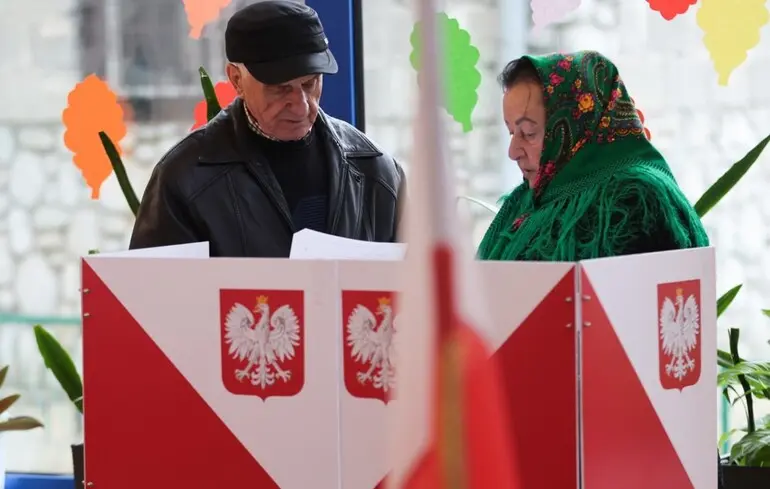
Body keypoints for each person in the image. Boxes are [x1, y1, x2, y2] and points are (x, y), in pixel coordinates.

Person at [129, 0, 406, 257]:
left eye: (310, 83)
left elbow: (414, 281)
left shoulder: (377, 172)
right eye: (280, 89)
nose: (301, 106)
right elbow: (154, 289)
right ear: (236, 79)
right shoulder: (184, 179)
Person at [477, 50, 708, 261]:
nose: (513, 152)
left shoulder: (633, 199)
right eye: (511, 132)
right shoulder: (525, 200)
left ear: (578, 123)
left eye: (529, 133)